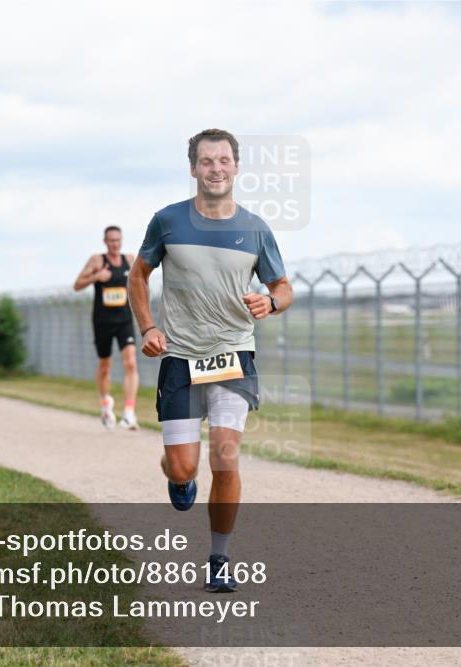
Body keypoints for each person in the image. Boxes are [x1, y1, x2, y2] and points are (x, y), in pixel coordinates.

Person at [128, 129, 293, 592]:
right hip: (180, 357)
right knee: (182, 467)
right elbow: (137, 276)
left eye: (223, 160)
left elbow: (283, 287)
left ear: (236, 167)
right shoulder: (167, 221)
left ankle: (219, 558)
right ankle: (179, 481)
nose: (215, 169)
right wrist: (148, 327)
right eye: (206, 161)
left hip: (233, 354)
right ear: (193, 168)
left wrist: (271, 303)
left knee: (225, 456)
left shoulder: (256, 228)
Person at [73, 226, 140, 430]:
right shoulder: (96, 260)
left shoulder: (129, 259)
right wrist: (96, 276)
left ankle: (129, 412)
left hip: (124, 319)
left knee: (130, 363)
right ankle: (105, 404)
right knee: (105, 366)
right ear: (105, 241)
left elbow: (140, 280)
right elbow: (77, 285)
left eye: (118, 240)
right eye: (111, 240)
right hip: (102, 321)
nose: (115, 244)